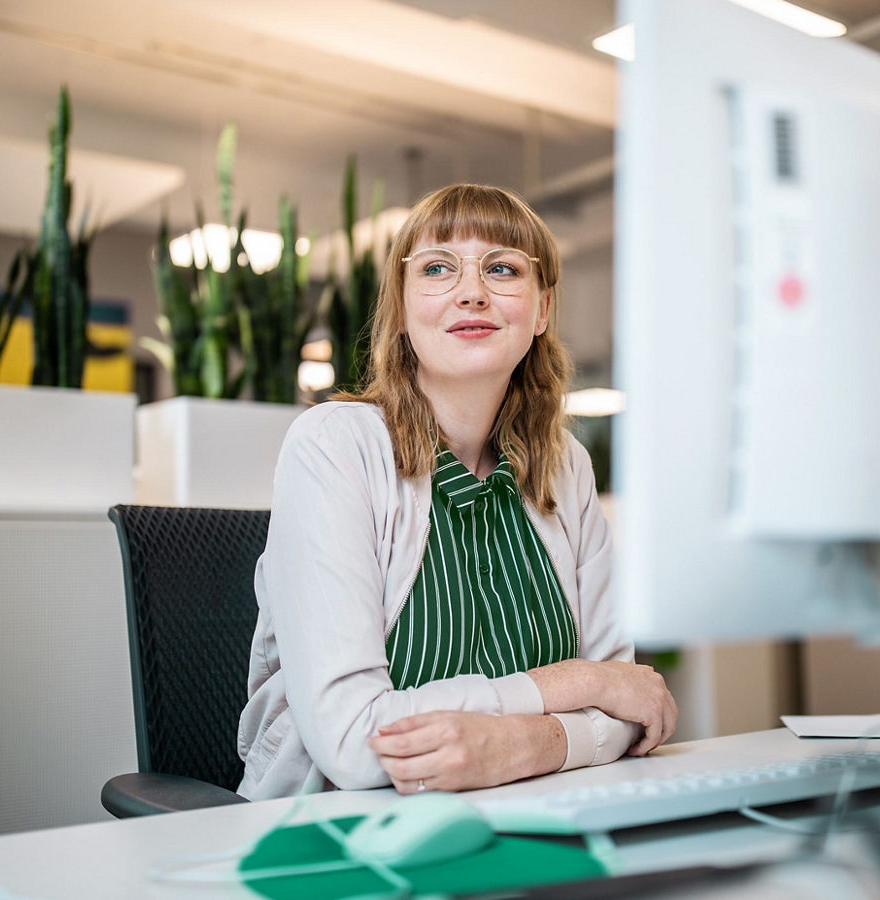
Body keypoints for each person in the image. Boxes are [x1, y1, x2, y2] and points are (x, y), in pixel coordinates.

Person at [236, 183, 677, 800]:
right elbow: (353, 743)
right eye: (439, 269)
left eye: (502, 269)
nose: (472, 292)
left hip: (535, 816)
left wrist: (519, 746)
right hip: (337, 832)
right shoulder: (335, 445)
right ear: (404, 307)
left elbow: (629, 708)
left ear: (541, 310)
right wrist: (572, 686)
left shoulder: (564, 466)